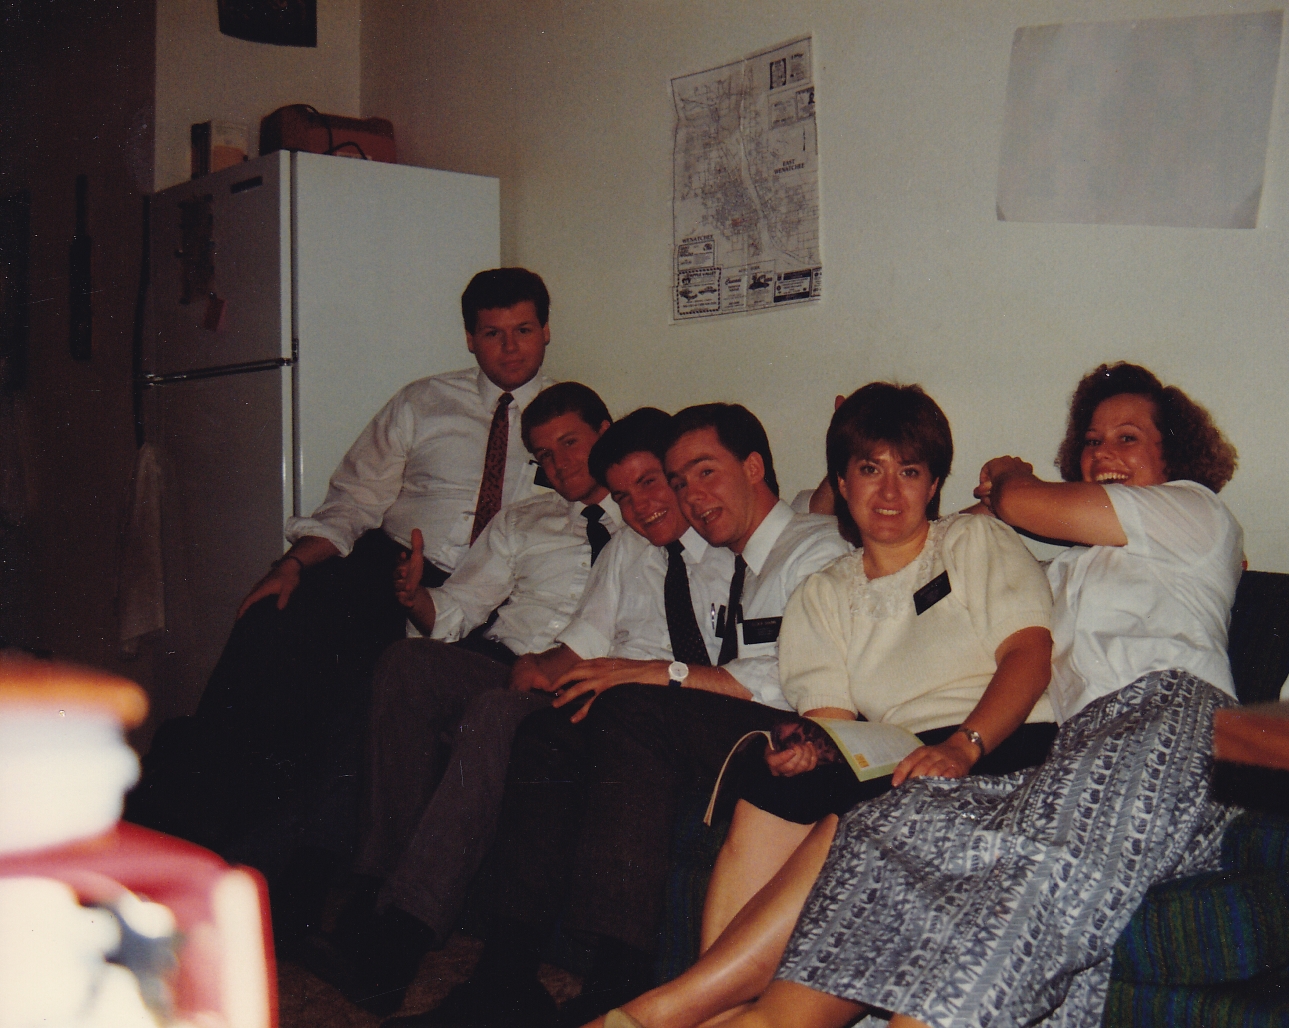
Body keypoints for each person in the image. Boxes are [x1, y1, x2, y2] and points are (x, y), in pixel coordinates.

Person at [598, 361, 1242, 1028]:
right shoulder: (1068, 567)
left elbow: (1020, 565)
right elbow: (843, 704)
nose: (1103, 452)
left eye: (1127, 438)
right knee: (845, 811)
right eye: (1092, 440)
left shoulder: (1193, 511)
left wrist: (1006, 478)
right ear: (842, 481)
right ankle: (717, 1013)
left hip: (1135, 719)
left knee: (1021, 869)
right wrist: (812, 747)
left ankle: (671, 1013)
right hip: (1048, 751)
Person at [404, 404, 852, 1028]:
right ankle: (505, 975)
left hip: (795, 734)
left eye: (701, 475)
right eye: (682, 481)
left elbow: (796, 678)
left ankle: (618, 978)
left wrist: (656, 673)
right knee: (550, 729)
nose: (690, 498)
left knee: (631, 709)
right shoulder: (739, 554)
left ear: (751, 467)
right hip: (728, 716)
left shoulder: (812, 547)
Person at [126, 268, 553, 867]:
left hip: (481, 591)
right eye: (492, 333)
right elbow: (355, 501)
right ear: (468, 339)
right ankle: (186, 815)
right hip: (386, 564)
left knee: (363, 692)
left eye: (523, 330)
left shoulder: (567, 423)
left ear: (546, 331)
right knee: (269, 623)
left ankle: (290, 860)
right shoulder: (422, 402)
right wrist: (292, 563)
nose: (509, 348)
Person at [294, 382, 618, 1014]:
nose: (559, 465)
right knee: (406, 662)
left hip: (577, 684)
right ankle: (369, 891)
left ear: (606, 433)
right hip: (503, 661)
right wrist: (417, 597)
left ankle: (399, 940)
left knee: (495, 713)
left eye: (571, 443)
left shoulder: (648, 517)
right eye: (544, 455)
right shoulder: (526, 518)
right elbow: (455, 612)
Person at [698, 382, 1057, 952]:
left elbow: (1029, 657)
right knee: (773, 790)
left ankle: (698, 995)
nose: (890, 492)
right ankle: (716, 981)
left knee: (858, 813)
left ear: (933, 485)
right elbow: (834, 728)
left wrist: (963, 746)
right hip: (899, 757)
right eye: (870, 469)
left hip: (1002, 742)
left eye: (909, 472)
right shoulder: (822, 593)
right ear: (842, 482)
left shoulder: (972, 540)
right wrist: (804, 752)